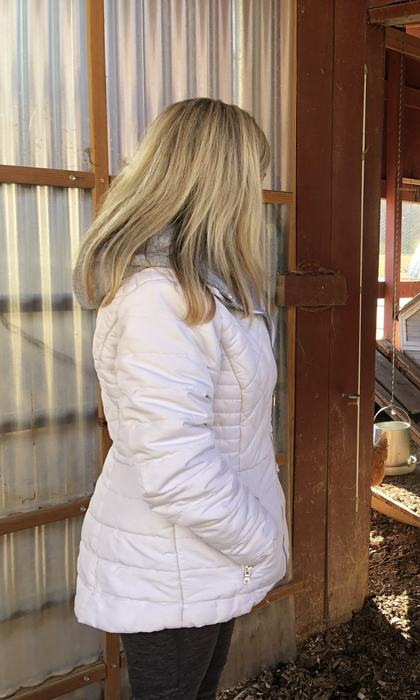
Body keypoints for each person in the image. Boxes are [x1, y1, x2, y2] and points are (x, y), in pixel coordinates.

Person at [72, 98, 288, 700]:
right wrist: (260, 540)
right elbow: (176, 468)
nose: (259, 195)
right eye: (253, 178)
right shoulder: (157, 300)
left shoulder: (205, 288)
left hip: (201, 554)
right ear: (221, 183)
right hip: (170, 565)